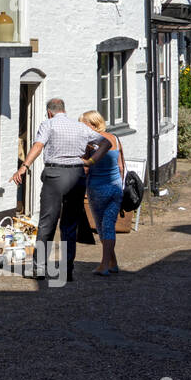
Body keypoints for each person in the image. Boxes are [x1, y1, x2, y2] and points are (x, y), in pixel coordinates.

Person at [10, 97, 109, 282]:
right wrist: (90, 161)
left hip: (55, 175)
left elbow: (38, 145)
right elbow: (106, 143)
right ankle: (67, 270)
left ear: (49, 112)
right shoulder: (80, 127)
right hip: (77, 175)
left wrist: (24, 166)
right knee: (70, 224)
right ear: (64, 109)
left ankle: (39, 269)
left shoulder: (48, 124)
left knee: (47, 222)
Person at [79, 110, 124, 276]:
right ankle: (113, 262)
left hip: (97, 189)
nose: (81, 127)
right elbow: (121, 166)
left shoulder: (91, 144)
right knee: (108, 225)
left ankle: (104, 265)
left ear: (92, 124)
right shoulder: (116, 139)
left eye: (83, 124)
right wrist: (120, 185)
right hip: (115, 187)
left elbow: (85, 168)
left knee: (103, 227)